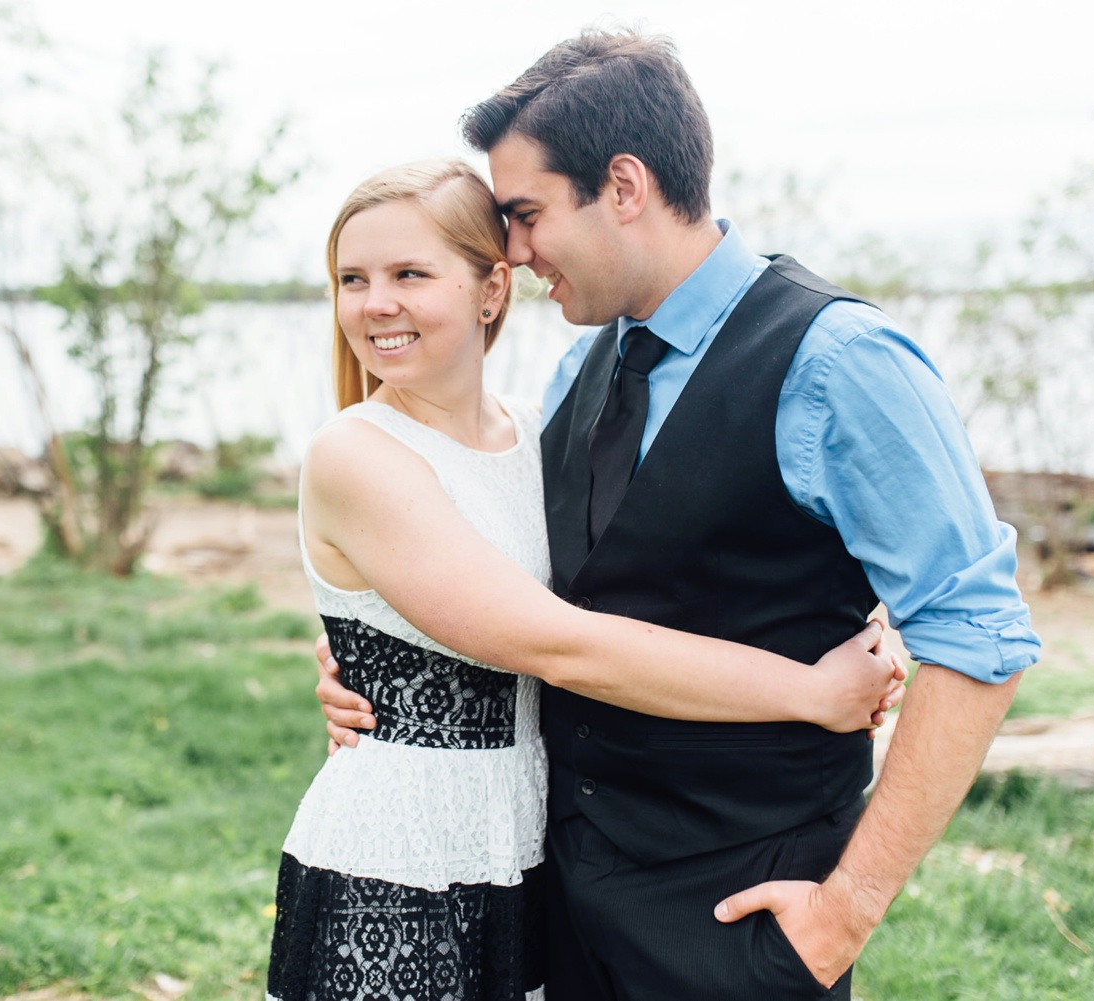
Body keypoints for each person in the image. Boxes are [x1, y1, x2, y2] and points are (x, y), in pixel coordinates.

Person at [316, 30, 1042, 1001]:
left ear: (623, 186)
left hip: (740, 917)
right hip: (558, 900)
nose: (516, 252)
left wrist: (846, 909)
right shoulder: (585, 363)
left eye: (527, 214)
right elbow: (512, 578)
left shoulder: (841, 360)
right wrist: (375, 655)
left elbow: (979, 635)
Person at [267, 160, 906, 1001]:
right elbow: (560, 641)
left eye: (408, 274)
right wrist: (813, 691)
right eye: (353, 279)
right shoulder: (353, 453)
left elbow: (637, 574)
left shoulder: (540, 435)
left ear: (492, 290)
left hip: (525, 842)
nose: (374, 302)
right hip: (406, 845)